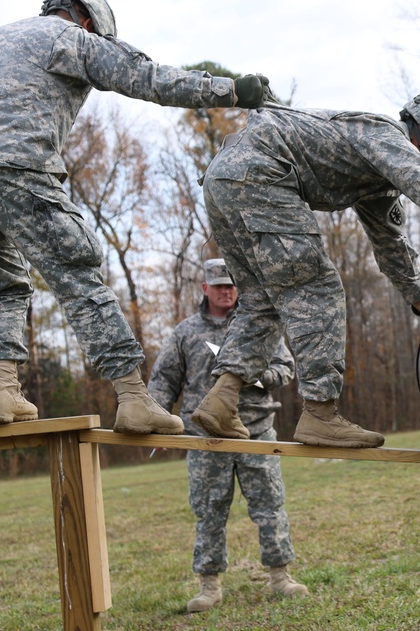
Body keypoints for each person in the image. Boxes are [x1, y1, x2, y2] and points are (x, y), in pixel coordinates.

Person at [0, 0, 271, 434]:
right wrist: (231, 91)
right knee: (78, 274)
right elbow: (145, 77)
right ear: (88, 21)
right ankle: (132, 398)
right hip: (14, 162)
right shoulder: (73, 40)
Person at [191, 89, 420, 448]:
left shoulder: (376, 174)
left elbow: (389, 242)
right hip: (260, 174)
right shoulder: (386, 137)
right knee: (317, 288)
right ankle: (320, 413)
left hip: (223, 178)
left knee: (261, 300)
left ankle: (222, 399)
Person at [149, 258, 307, 611]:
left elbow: (285, 368)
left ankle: (280, 577)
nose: (227, 291)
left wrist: (257, 376)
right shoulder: (185, 333)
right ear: (205, 288)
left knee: (270, 507)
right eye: (220, 286)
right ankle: (209, 586)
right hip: (206, 439)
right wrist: (157, 419)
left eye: (232, 285)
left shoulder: (259, 327)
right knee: (209, 512)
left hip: (256, 432)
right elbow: (163, 381)